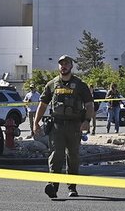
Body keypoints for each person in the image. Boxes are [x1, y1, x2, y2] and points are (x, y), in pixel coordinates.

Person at [31, 55, 94, 198]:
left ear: (71, 66)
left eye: (66, 64)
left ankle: (72, 187)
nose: (63, 66)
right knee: (56, 156)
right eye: (61, 64)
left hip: (75, 127)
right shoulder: (52, 84)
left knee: (73, 157)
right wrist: (36, 122)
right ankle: (53, 187)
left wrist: (87, 121)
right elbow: (43, 104)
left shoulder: (80, 85)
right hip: (57, 127)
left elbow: (89, 105)